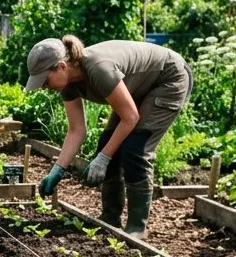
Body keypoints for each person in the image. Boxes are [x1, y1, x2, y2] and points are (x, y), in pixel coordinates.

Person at [24, 35, 192, 238]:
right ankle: (110, 218)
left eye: (45, 80)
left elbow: (130, 117)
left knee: (135, 149)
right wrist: (57, 170)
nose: (44, 86)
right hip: (139, 88)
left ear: (61, 66)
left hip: (168, 79)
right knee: (107, 143)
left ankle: (137, 228)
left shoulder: (99, 69)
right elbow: (77, 130)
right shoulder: (68, 84)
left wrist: (103, 159)